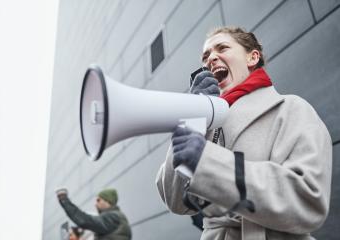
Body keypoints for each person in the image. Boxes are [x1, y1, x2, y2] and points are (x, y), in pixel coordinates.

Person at [156, 26, 332, 240]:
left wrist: (207, 163)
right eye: (205, 56)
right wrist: (192, 116)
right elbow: (176, 202)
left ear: (252, 57)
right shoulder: (203, 123)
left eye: (222, 48)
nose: (211, 58)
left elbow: (308, 200)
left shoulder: (291, 108)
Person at [56, 188, 132, 240]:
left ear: (108, 201)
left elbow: (84, 221)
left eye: (98, 200)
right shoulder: (114, 218)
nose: (95, 204)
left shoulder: (112, 217)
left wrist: (64, 200)